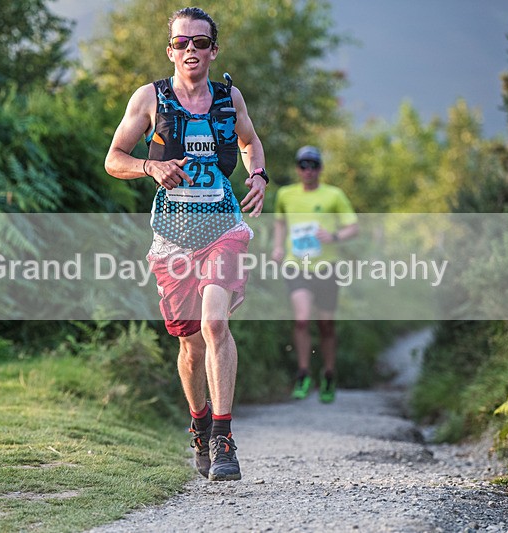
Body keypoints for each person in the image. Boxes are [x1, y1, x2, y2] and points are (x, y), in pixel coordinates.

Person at [104, 7, 267, 482]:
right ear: (170, 50)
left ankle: (223, 438)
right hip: (172, 237)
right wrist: (149, 166)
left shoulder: (229, 98)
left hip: (222, 227)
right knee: (191, 343)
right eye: (182, 42)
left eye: (200, 42)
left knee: (215, 323)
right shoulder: (149, 98)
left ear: (214, 51)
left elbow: (250, 142)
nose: (190, 49)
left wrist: (258, 174)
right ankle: (200, 424)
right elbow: (114, 158)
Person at [272, 146, 358, 403]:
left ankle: (329, 373)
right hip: (296, 265)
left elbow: (353, 227)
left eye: (313, 165)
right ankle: (303, 374)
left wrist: (333, 236)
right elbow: (280, 222)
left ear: (320, 168)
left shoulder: (334, 195)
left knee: (326, 325)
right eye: (303, 165)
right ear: (297, 168)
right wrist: (277, 246)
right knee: (302, 319)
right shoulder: (285, 194)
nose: (308, 170)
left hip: (326, 266)